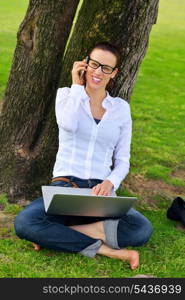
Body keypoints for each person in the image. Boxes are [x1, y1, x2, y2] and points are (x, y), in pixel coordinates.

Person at [14, 41, 152, 270]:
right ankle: (107, 250)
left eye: (106, 68)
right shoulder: (67, 96)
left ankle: (58, 234)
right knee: (24, 222)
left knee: (141, 228)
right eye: (94, 64)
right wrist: (77, 86)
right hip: (67, 187)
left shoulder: (120, 109)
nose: (98, 72)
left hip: (101, 193)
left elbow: (122, 159)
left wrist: (110, 182)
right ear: (85, 64)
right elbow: (68, 125)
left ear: (114, 73)